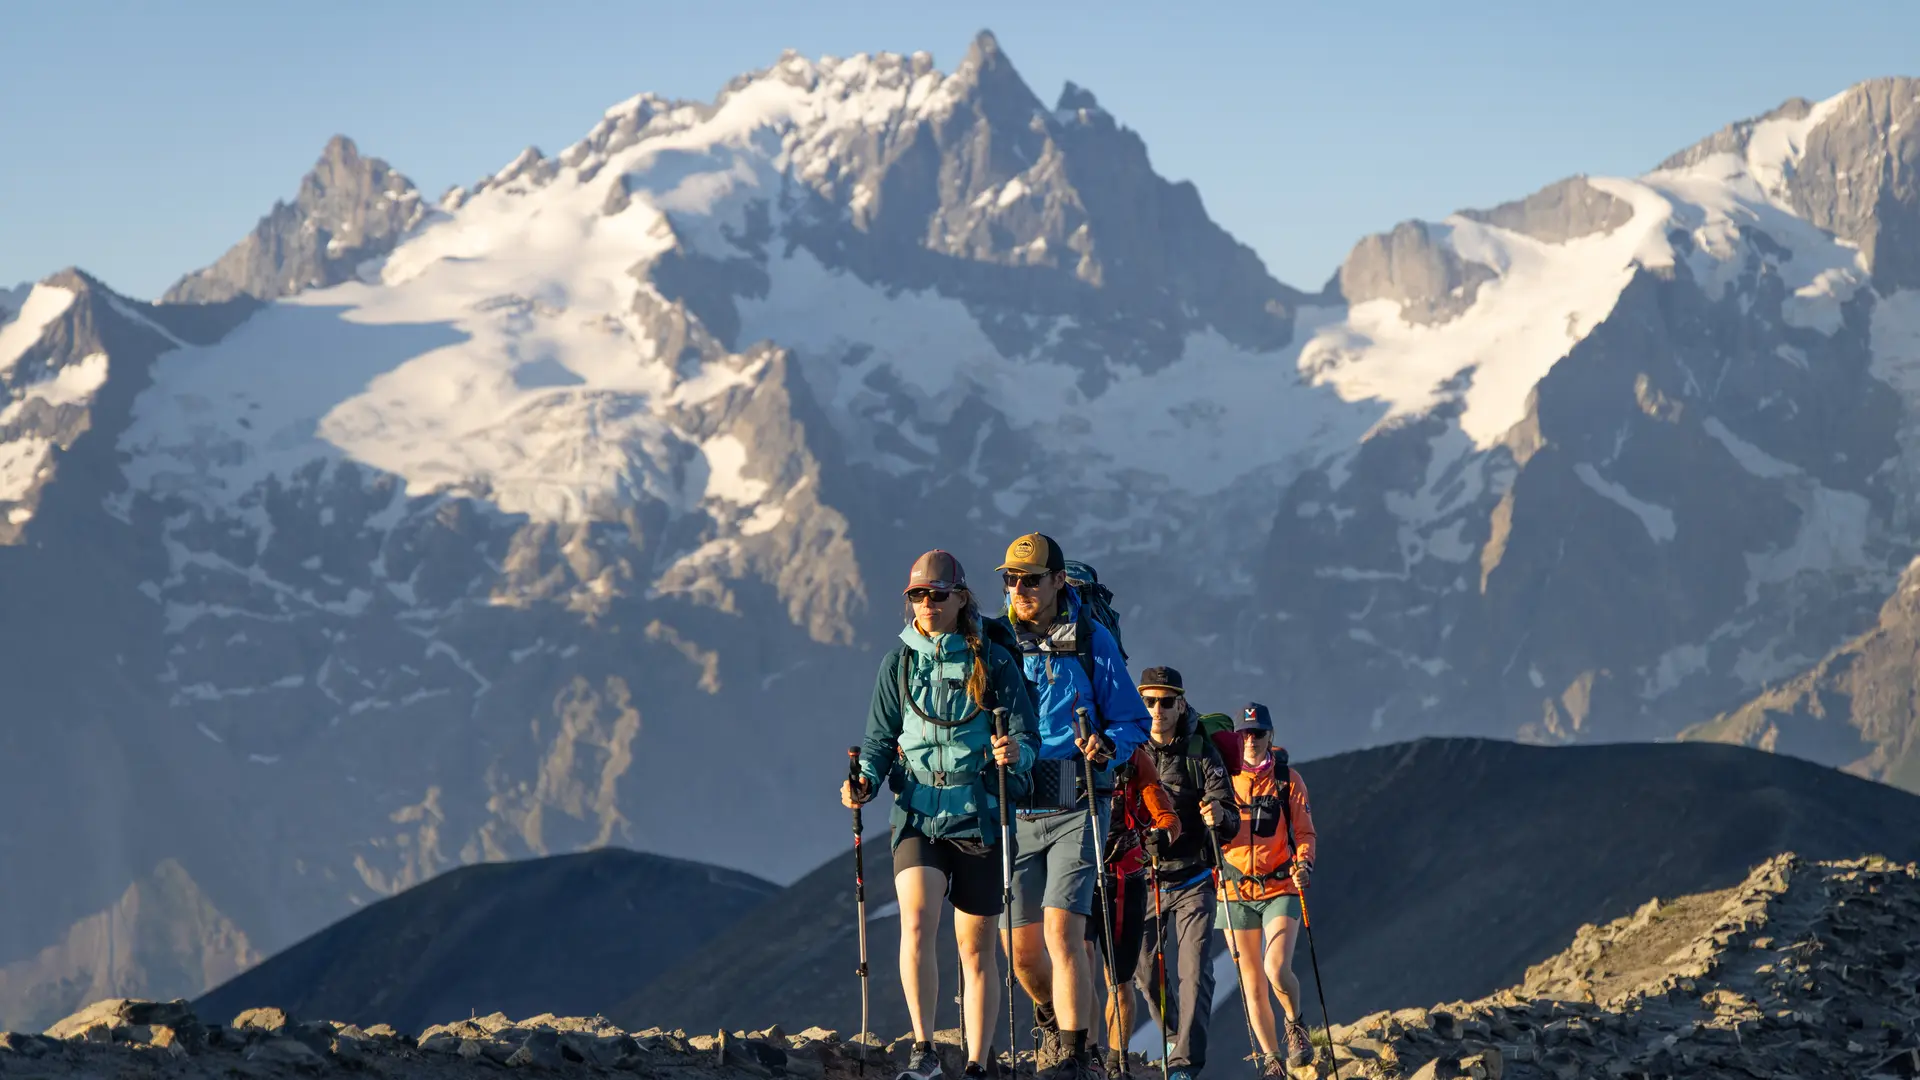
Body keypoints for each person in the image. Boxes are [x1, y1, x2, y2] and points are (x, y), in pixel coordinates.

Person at [842, 550, 1041, 1080]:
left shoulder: (993, 661)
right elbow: (880, 740)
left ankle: (976, 1063)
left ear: (960, 597)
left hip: (979, 814)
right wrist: (864, 781)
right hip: (916, 813)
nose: (926, 604)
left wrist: (1014, 755)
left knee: (974, 948)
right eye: (916, 596)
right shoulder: (899, 662)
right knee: (917, 920)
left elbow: (1026, 733)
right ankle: (924, 1049)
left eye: (936, 595)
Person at [990, 533, 1152, 1080]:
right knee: (1021, 953)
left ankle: (1076, 1055)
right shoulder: (993, 642)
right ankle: (1051, 1019)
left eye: (1031, 579)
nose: (1020, 589)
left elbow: (1133, 721)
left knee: (1063, 932)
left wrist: (1107, 746)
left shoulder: (1091, 639)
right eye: (1011, 579)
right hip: (1015, 806)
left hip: (1078, 799)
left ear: (1058, 581)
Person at [1133, 667, 1239, 1080]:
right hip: (1144, 879)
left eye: (1165, 702)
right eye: (1149, 701)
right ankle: (1176, 1034)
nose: (1156, 710)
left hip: (1194, 877)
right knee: (1144, 972)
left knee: (1194, 970)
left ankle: (1184, 1064)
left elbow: (1228, 812)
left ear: (1180, 704)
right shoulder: (1129, 746)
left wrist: (1221, 816)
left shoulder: (1200, 750)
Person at [1215, 703, 1317, 1077]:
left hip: (1280, 885)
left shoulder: (1288, 779)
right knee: (1251, 980)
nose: (1251, 740)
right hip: (1234, 889)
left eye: (1258, 733)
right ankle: (1273, 1060)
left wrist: (1303, 863)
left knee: (1276, 968)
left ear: (1271, 736)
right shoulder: (1223, 778)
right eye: (1245, 734)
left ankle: (1295, 1023)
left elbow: (1304, 833)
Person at [1085, 747, 1182, 1075]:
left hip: (1124, 881)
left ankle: (1115, 1060)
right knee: (1079, 965)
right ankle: (1086, 1055)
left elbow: (1162, 808)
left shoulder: (1133, 758)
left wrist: (1164, 831)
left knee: (1119, 979)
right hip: (1080, 875)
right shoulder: (1062, 744)